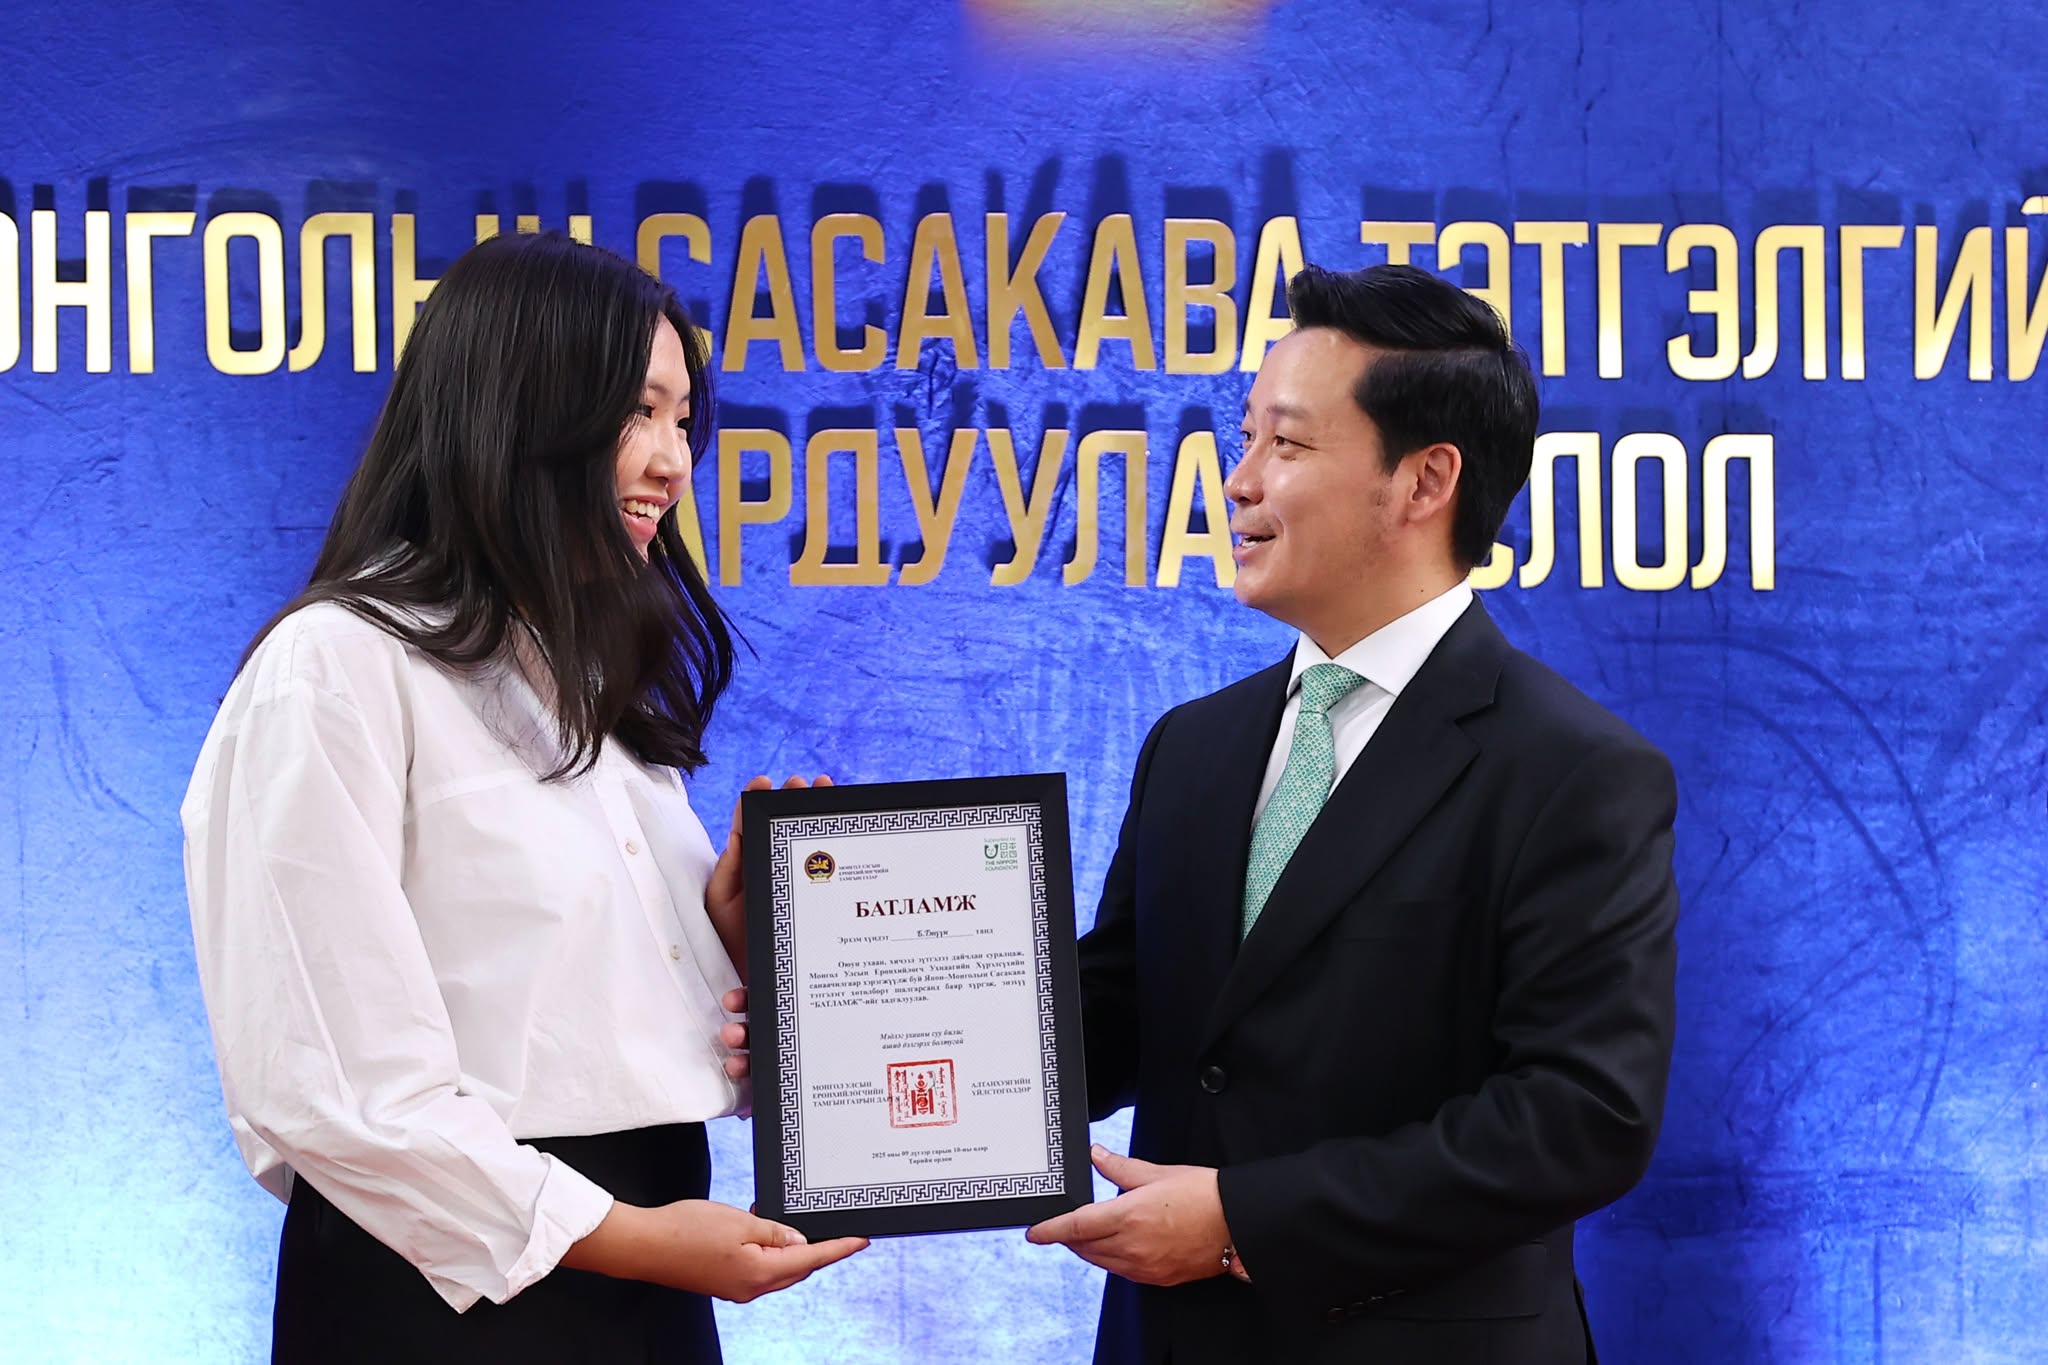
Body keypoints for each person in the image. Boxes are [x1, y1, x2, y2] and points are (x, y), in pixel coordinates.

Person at [181, 231, 864, 1363]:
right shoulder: (335, 667)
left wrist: (735, 945)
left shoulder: (588, 679)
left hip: (648, 1267)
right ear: (517, 410)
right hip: (447, 1299)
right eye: (638, 413)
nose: (673, 462)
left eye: (683, 421)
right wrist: (629, 1239)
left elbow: (581, 1019)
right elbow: (333, 1090)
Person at [1029, 263, 1680, 1364]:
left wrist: (1244, 1220)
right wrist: (839, 1044)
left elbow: (1579, 1117)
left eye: (1284, 445)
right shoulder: (1192, 745)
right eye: (1244, 438)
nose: (1238, 481)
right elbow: (1127, 1012)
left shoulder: (1574, 772)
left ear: (1424, 481)